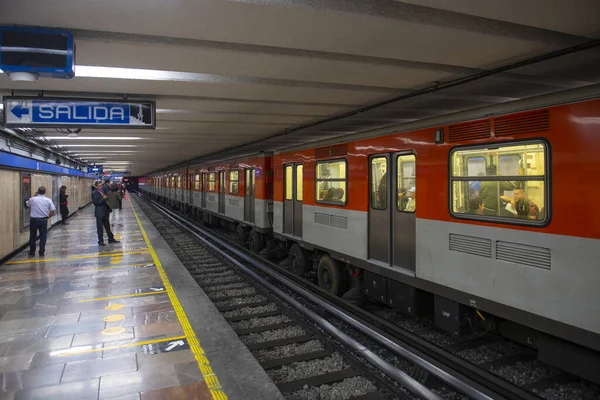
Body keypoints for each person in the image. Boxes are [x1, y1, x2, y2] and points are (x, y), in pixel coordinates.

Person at [26, 186, 56, 257]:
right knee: (43, 236)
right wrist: (48, 217)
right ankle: (41, 252)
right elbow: (53, 210)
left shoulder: (33, 199)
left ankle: (32, 251)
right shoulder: (48, 200)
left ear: (37, 191)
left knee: (32, 236)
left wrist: (34, 196)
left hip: (33, 220)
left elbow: (27, 204)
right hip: (43, 220)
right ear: (45, 192)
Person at [92, 180, 119, 246]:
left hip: (105, 211)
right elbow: (96, 203)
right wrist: (104, 198)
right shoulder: (94, 193)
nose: (101, 187)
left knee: (107, 226)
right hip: (99, 212)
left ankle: (111, 238)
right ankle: (100, 240)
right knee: (100, 227)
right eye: (99, 186)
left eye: (101, 186)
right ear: (96, 186)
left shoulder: (103, 191)